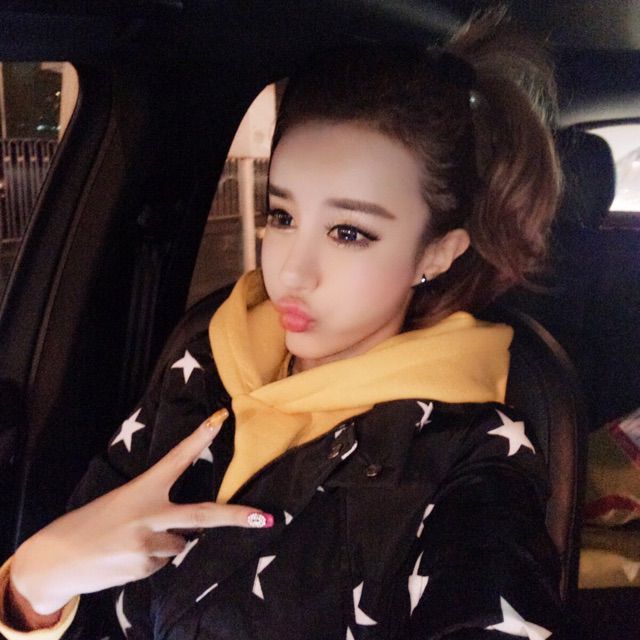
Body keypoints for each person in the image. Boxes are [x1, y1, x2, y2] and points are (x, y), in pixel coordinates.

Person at [0, 8, 564, 640]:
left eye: (349, 232)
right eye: (282, 216)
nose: (291, 272)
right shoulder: (207, 359)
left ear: (436, 253)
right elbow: (89, 587)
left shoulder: (467, 453)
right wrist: (34, 585)